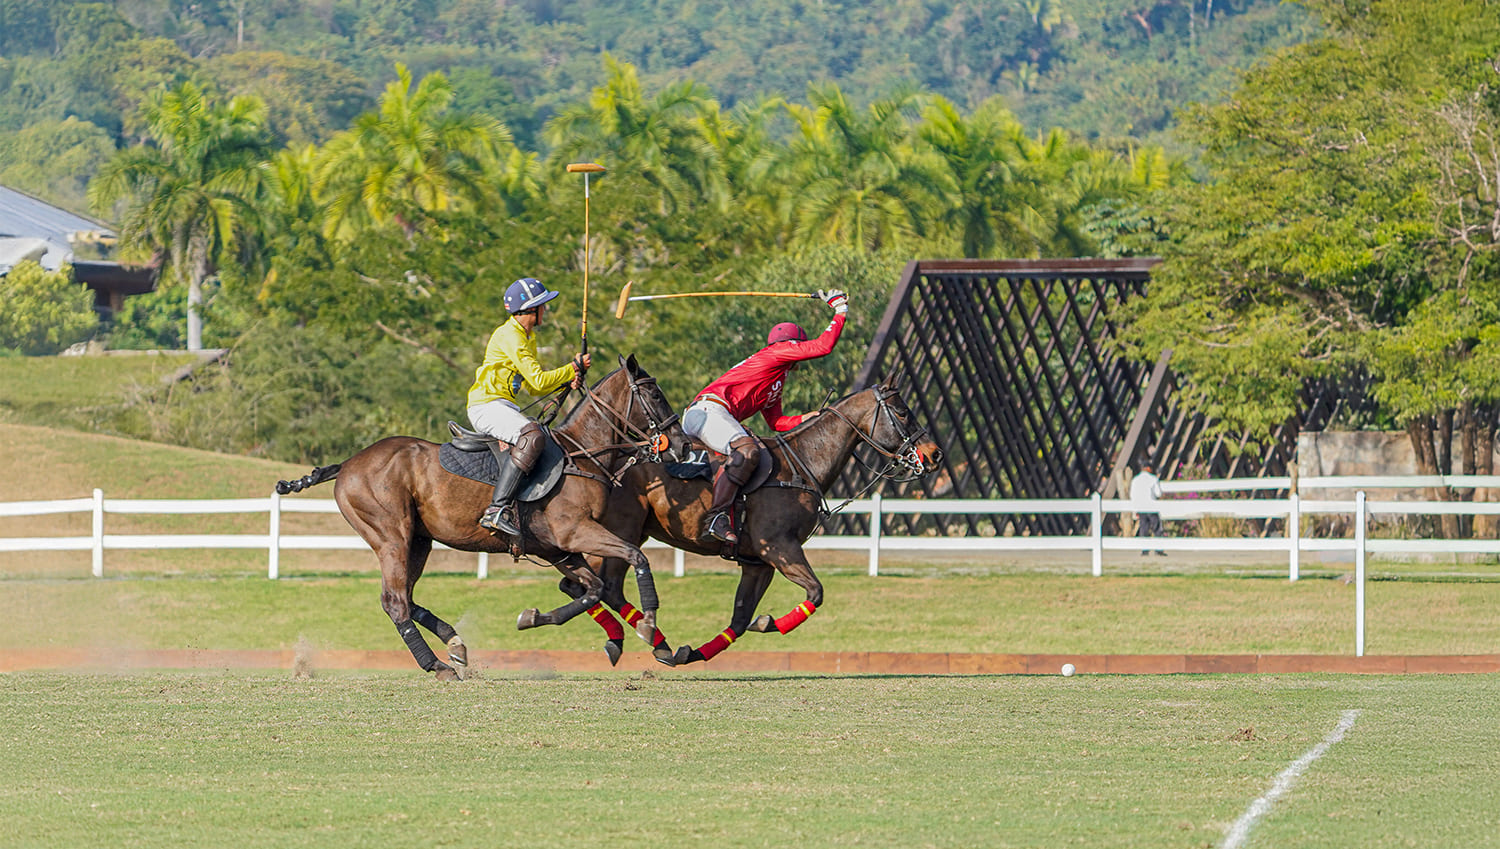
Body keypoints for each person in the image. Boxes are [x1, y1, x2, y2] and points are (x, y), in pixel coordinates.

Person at [683, 288, 849, 544]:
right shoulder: (774, 353)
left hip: (717, 416)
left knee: (752, 451)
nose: (799, 357)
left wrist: (806, 418)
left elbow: (777, 423)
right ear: (789, 345)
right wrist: (839, 310)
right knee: (748, 451)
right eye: (797, 348)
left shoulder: (775, 381)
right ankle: (716, 517)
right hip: (707, 411)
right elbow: (823, 346)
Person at [466, 277, 589, 535]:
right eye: (543, 305)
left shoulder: (526, 337)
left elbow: (535, 388)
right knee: (532, 436)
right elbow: (538, 380)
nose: (546, 310)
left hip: (502, 405)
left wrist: (569, 377)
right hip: (486, 405)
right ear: (531, 309)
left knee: (539, 435)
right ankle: (496, 510)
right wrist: (572, 368)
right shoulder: (511, 336)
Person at [1130, 460, 1166, 556]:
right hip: (1151, 506)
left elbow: (1132, 495)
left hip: (1141, 507)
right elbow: (1158, 493)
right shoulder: (1153, 479)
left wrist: (1135, 509)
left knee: (1144, 528)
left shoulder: (1135, 480)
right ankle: (1158, 549)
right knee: (1156, 527)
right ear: (1149, 468)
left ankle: (1145, 550)